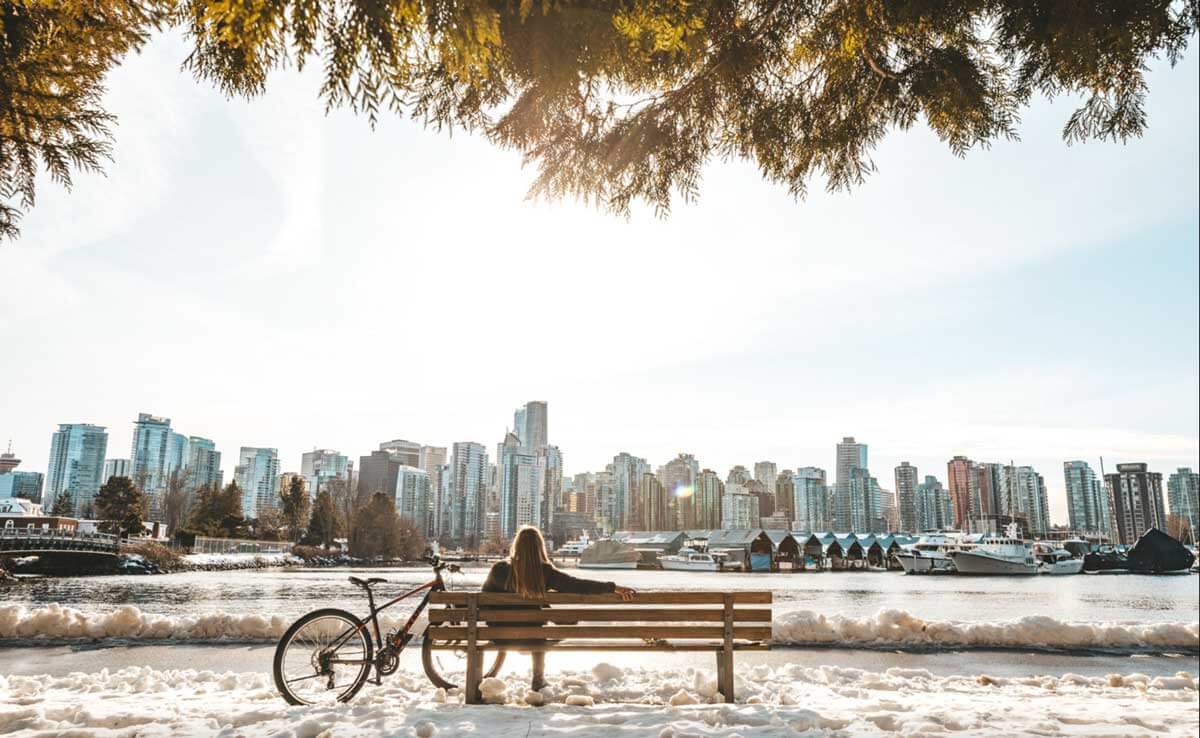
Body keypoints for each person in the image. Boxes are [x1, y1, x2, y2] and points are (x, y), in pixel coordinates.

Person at [482, 525, 635, 690]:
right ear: (540, 547)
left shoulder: (499, 569)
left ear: (516, 545)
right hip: (534, 637)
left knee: (537, 627)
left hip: (500, 636)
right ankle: (538, 679)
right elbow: (576, 585)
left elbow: (484, 599)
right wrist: (613, 587)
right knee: (539, 631)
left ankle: (517, 674)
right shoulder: (545, 572)